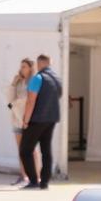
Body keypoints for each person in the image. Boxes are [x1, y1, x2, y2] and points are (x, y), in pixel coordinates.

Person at [18, 53, 62, 190]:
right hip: (51, 119)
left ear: (39, 64)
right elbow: (58, 96)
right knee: (46, 150)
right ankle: (44, 182)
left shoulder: (38, 77)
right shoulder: (57, 79)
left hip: (37, 119)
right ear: (49, 63)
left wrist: (26, 120)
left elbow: (31, 100)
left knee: (25, 149)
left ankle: (33, 181)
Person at [7, 58, 34, 188]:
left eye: (24, 66)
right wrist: (13, 84)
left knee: (31, 150)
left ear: (30, 68)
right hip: (17, 119)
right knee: (20, 150)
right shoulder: (18, 82)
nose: (22, 69)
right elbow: (9, 101)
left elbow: (30, 101)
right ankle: (23, 175)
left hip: (29, 120)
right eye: (21, 66)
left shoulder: (33, 82)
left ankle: (33, 176)